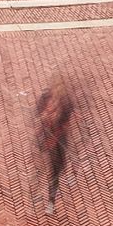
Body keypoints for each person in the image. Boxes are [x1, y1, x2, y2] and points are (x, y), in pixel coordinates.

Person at [36, 79, 73, 213]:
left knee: (56, 170)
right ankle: (46, 197)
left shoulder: (66, 104)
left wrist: (56, 134)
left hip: (58, 140)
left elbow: (66, 122)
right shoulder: (46, 96)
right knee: (44, 167)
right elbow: (38, 112)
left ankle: (51, 200)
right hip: (46, 136)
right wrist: (44, 117)